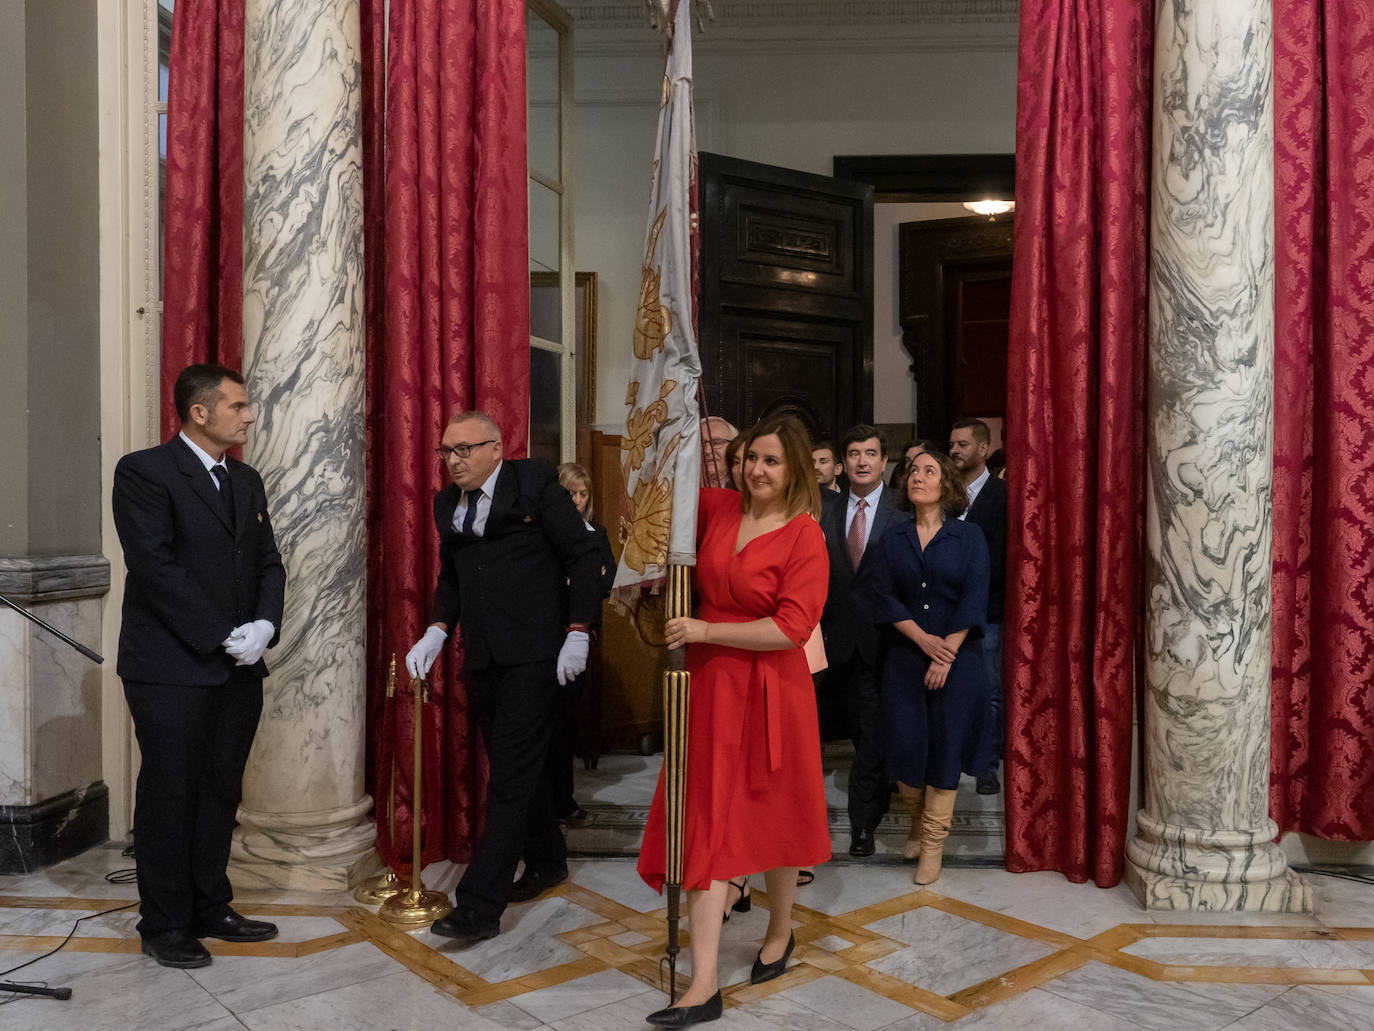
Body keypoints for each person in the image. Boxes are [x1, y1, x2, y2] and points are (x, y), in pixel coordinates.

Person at [639, 415, 830, 1028]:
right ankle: (703, 983)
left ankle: (781, 928)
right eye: (750, 458)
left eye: (771, 461)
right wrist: (662, 406)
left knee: (772, 820)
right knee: (708, 826)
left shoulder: (805, 536)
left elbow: (791, 629)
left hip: (773, 690)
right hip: (711, 691)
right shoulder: (718, 508)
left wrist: (704, 629)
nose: (756, 470)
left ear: (794, 467)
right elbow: (657, 491)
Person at [112, 363, 286, 969]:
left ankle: (211, 906)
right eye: (238, 406)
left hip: (240, 665)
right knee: (170, 793)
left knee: (219, 791)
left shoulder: (246, 479)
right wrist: (221, 636)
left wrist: (264, 626)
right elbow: (157, 569)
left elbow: (269, 563)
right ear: (200, 413)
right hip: (170, 667)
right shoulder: (144, 472)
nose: (249, 415)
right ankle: (163, 923)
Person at [406, 411, 602, 948]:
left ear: (496, 448)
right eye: (446, 452)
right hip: (485, 656)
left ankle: (479, 905)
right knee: (523, 766)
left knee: (510, 777)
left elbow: (585, 556)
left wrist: (579, 630)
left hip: (541, 655)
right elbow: (452, 575)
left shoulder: (534, 482)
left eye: (465, 450)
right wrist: (437, 630)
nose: (454, 461)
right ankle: (547, 861)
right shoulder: (448, 504)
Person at [872, 447, 990, 886]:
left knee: (945, 749)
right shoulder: (893, 538)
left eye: (928, 470)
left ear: (947, 484)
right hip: (905, 658)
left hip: (959, 663)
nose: (917, 476)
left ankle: (933, 846)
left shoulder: (970, 537)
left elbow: (975, 597)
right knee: (904, 746)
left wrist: (947, 652)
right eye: (912, 471)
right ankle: (916, 823)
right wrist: (921, 638)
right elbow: (884, 597)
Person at [818, 425, 899, 858]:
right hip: (827, 641)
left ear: (884, 461)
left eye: (871, 453)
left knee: (870, 736)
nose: (862, 461)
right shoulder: (822, 509)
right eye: (854, 453)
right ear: (843, 462)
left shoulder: (902, 510)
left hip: (882, 643)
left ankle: (862, 826)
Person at [552, 462, 617, 827]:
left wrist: (582, 581)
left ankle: (565, 799)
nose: (577, 501)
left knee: (567, 722)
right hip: (549, 636)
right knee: (550, 723)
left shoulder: (597, 533)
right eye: (571, 494)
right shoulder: (550, 535)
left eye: (582, 494)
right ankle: (554, 801)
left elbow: (605, 578)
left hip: (580, 638)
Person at [948, 418, 1007, 795]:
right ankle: (949, 758)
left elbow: (1002, 556)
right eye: (951, 444)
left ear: (983, 449)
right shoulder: (944, 494)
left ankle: (987, 764)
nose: (954, 450)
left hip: (987, 610)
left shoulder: (1002, 495)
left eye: (963, 444)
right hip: (943, 610)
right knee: (949, 687)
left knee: (988, 690)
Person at [700, 415, 737, 488]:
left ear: (734, 447)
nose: (707, 451)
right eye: (701, 444)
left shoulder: (745, 490)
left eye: (716, 443)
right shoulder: (680, 491)